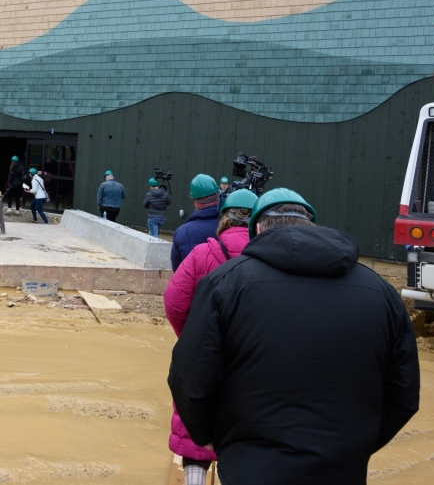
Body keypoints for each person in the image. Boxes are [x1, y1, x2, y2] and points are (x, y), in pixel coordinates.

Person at [168, 188, 420, 485]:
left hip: (249, 468)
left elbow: (188, 379)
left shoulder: (225, 284)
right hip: (342, 469)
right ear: (310, 224)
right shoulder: (380, 292)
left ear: (258, 229)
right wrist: (354, 446)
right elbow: (403, 392)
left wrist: (215, 439)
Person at [162, 188, 257, 485]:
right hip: (253, 357)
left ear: (224, 217)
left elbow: (174, 302)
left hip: (205, 353)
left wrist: (191, 338)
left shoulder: (203, 252)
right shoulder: (269, 257)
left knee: (195, 421)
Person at [170, 174, 220, 272]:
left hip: (195, 286)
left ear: (195, 201)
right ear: (218, 195)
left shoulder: (182, 232)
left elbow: (177, 270)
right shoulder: (231, 225)